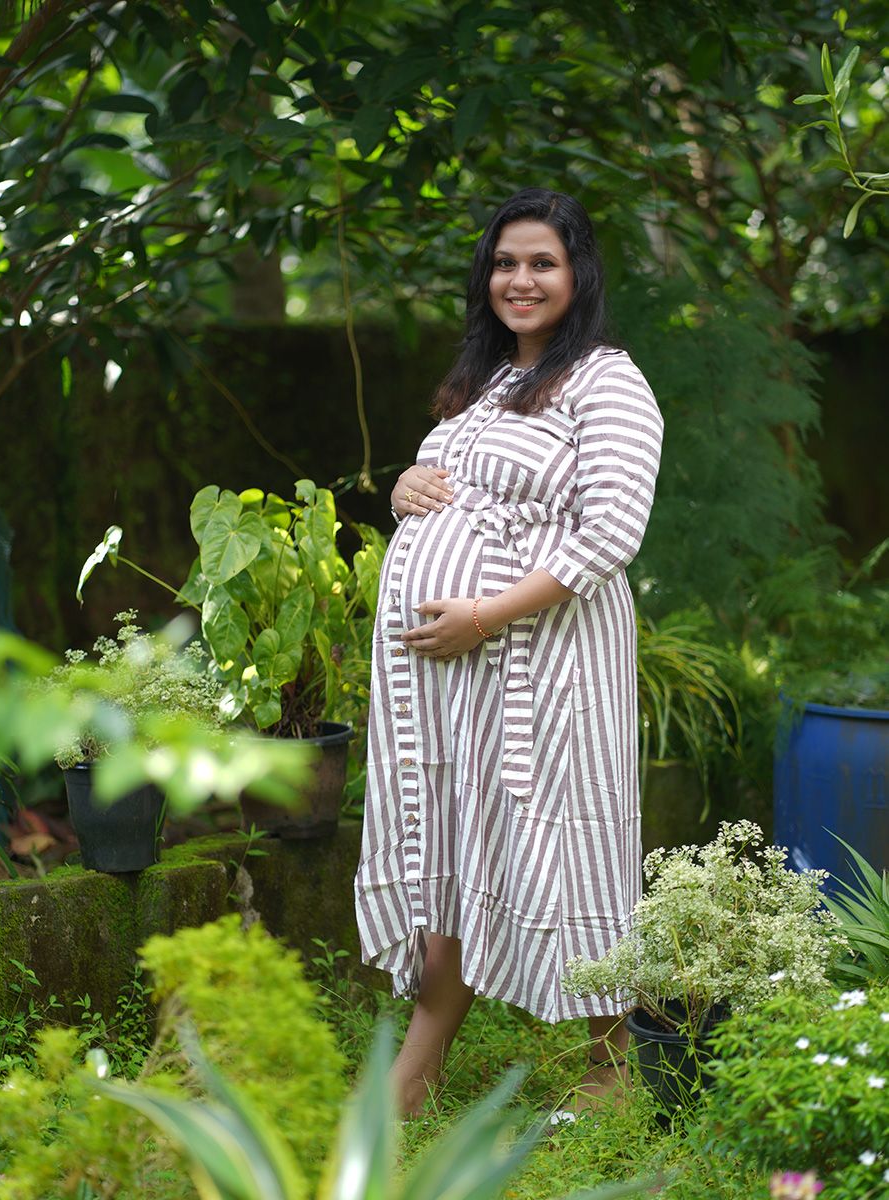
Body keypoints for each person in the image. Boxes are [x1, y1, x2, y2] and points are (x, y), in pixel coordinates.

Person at [354, 187, 664, 1119]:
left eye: (541, 263)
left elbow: (609, 532)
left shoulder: (609, 380)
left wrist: (485, 615)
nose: (518, 280)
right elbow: (452, 490)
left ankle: (611, 1065)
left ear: (578, 275)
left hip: (548, 668)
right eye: (504, 262)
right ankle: (425, 1055)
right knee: (453, 837)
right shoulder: (486, 384)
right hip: (451, 683)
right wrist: (408, 479)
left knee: (565, 842)